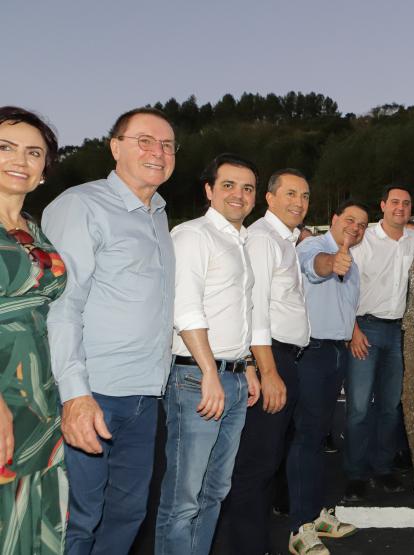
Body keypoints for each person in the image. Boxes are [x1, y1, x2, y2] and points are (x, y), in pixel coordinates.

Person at [44, 107, 177, 555]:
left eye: (167, 145)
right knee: (78, 520)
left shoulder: (158, 214)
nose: (158, 152)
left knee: (128, 514)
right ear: (115, 147)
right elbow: (62, 305)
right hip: (93, 392)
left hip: (144, 396)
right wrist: (75, 395)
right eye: (145, 141)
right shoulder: (81, 205)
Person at [155, 154, 261, 555]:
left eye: (247, 188)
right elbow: (186, 310)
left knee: (215, 490)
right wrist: (210, 373)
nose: (239, 194)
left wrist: (247, 366)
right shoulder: (193, 236)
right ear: (209, 190)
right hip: (197, 379)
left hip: (232, 378)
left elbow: (238, 313)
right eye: (228, 185)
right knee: (184, 497)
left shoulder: (240, 240)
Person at [344, 185, 414, 501]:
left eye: (406, 203)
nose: (400, 207)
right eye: (394, 202)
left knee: (390, 406)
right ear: (382, 205)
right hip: (364, 328)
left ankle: (382, 468)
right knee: (358, 407)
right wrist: (352, 330)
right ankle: (355, 474)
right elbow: (344, 287)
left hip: (398, 332)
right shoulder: (364, 239)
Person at [220, 169, 314, 555]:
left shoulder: (285, 241)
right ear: (270, 198)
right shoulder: (262, 239)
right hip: (269, 357)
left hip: (284, 357)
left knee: (268, 461)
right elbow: (254, 308)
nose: (299, 202)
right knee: (255, 465)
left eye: (305, 196)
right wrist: (269, 371)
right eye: (290, 193)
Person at [0, 107, 67, 553]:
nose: (20, 160)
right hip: (4, 389)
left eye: (34, 152)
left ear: (44, 170)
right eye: (5, 147)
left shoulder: (33, 229)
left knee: (39, 515)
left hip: (42, 395)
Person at [289, 200, 370, 555]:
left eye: (362, 224)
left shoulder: (353, 263)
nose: (355, 227)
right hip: (312, 352)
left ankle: (317, 514)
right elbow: (315, 267)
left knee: (319, 438)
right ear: (333, 219)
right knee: (306, 438)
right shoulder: (313, 247)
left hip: (336, 351)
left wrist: (351, 331)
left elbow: (344, 306)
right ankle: (299, 527)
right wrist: (332, 261)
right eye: (349, 220)